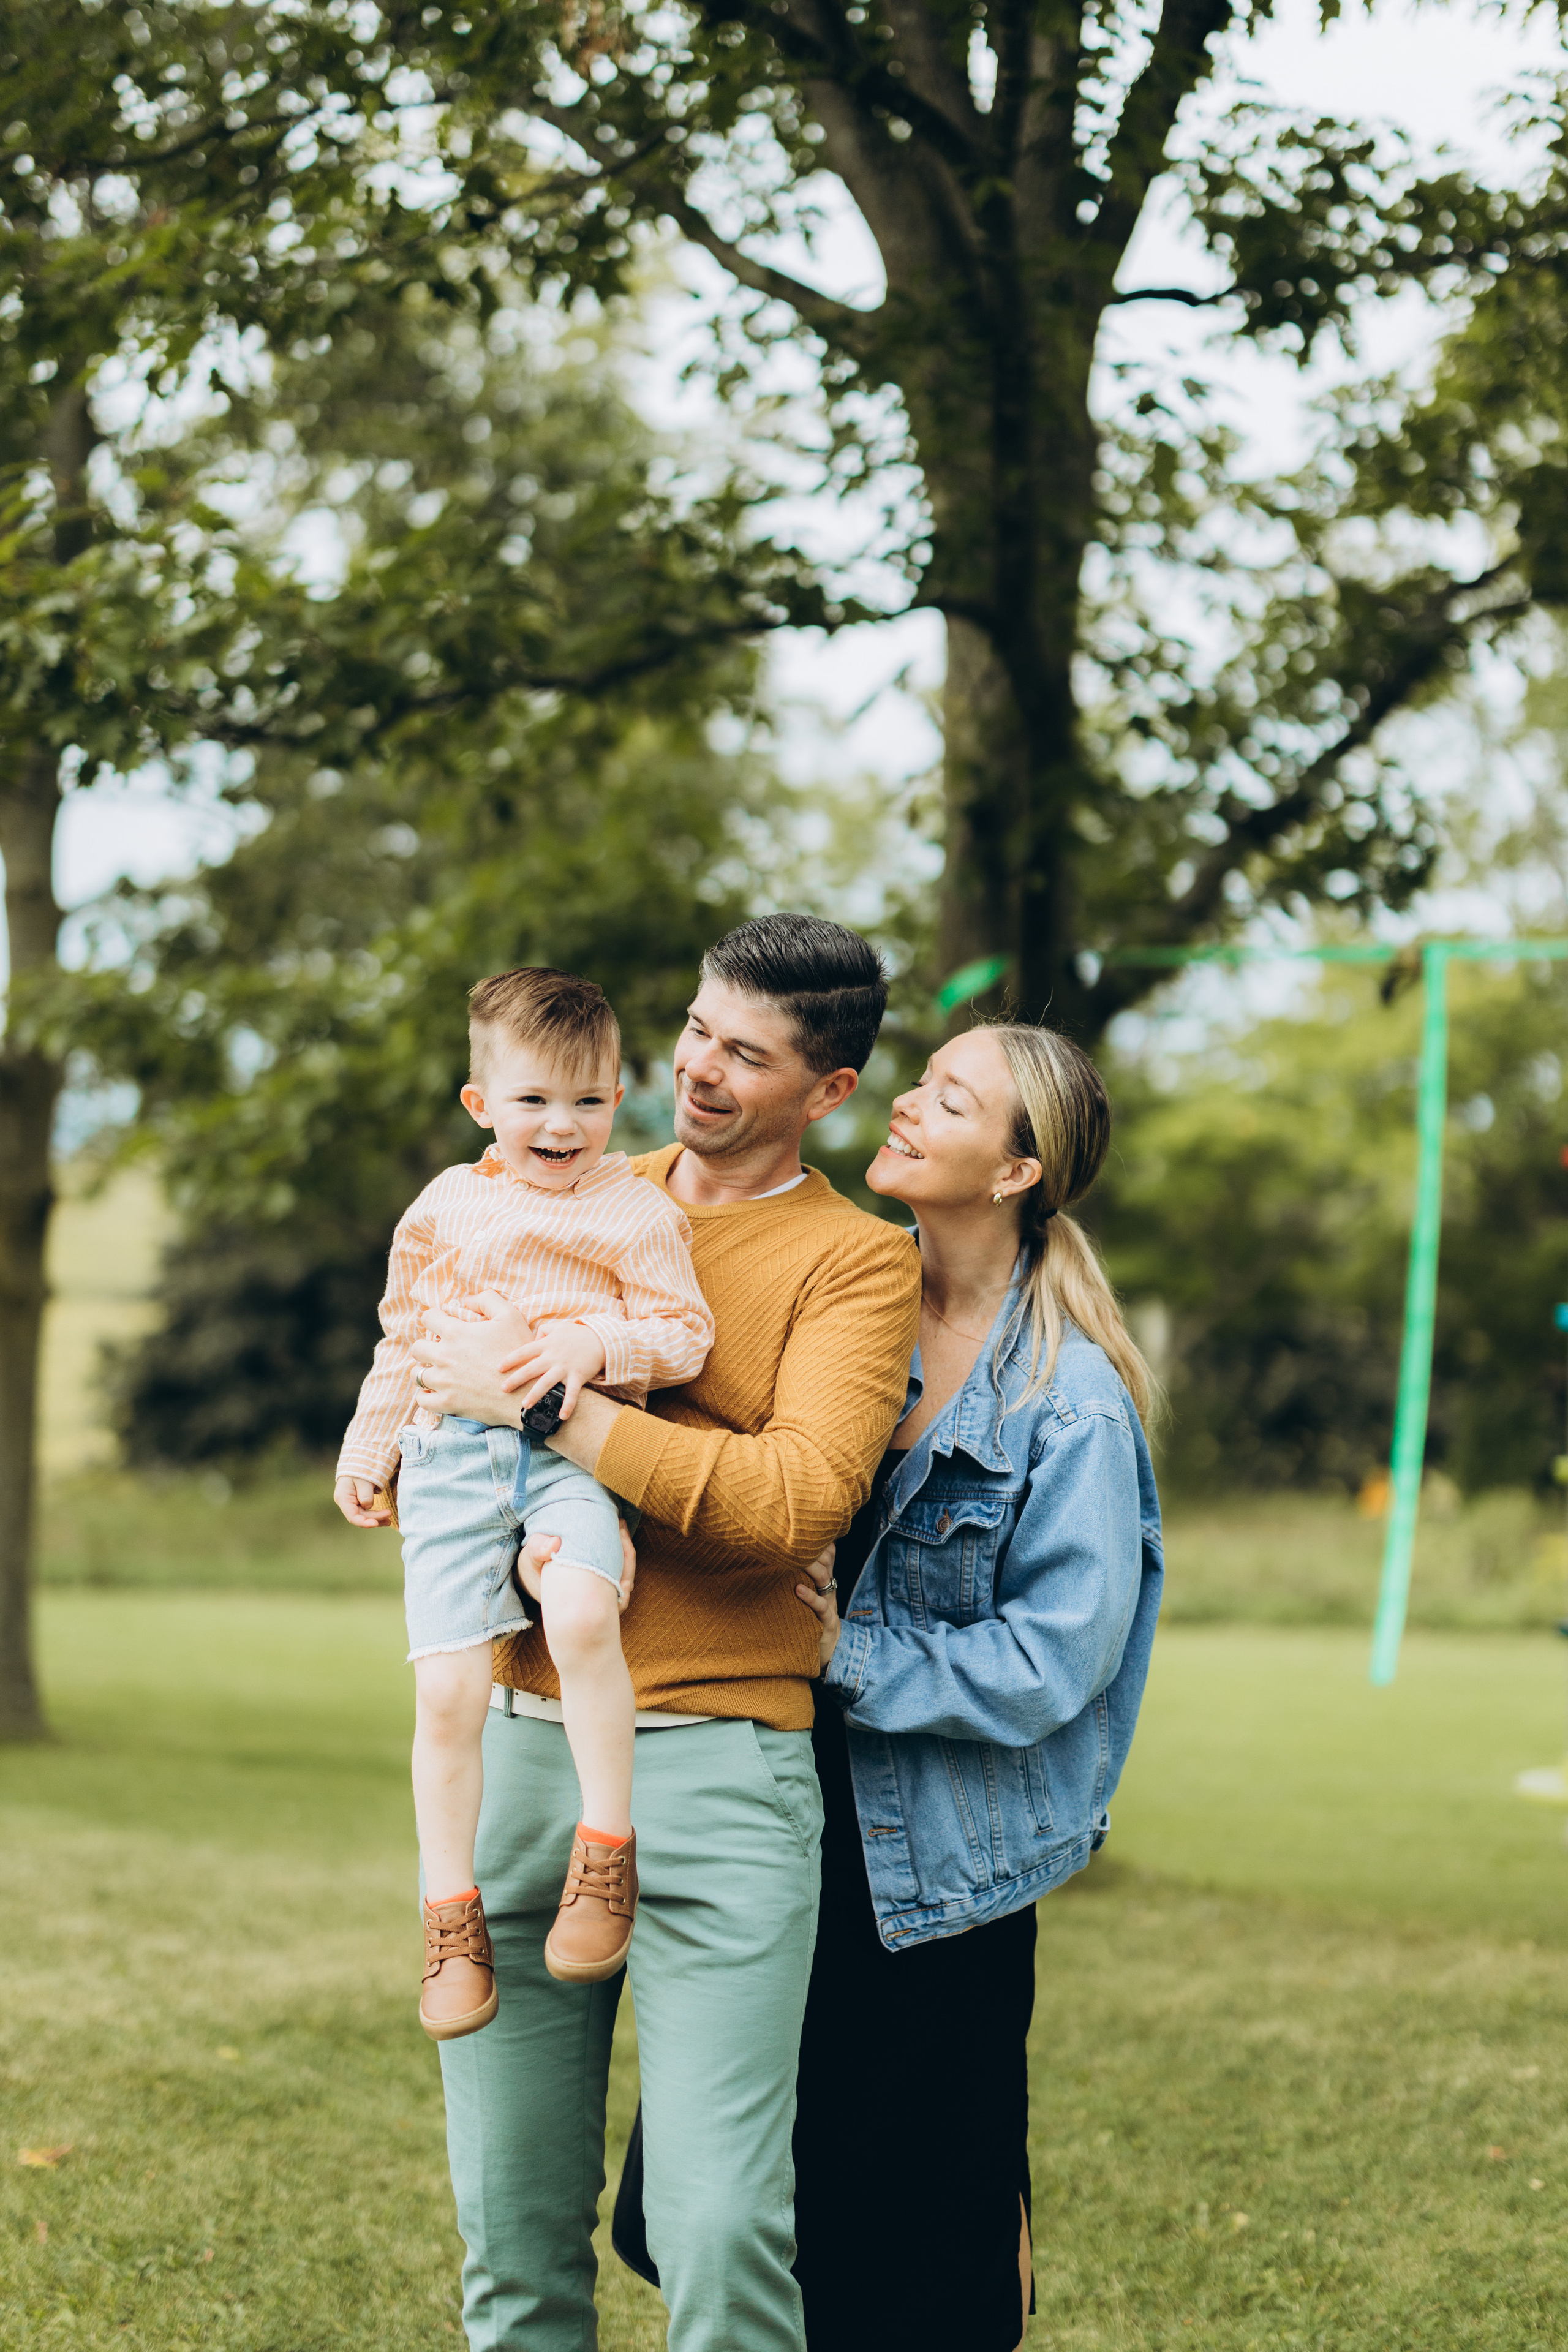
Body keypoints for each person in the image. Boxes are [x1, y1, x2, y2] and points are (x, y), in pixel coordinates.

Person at [405, 915, 924, 2351]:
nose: (697, 1069)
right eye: (695, 1028)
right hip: (519, 1751)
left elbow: (793, 1500)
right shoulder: (551, 1176)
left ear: (827, 1090)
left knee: (720, 2230)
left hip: (720, 1771)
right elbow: (436, 1384)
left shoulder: (855, 1263)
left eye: (745, 1054)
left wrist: (553, 1407)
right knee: (511, 2239)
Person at [614, 1019, 1165, 2352]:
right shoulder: (845, 1290)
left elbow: (1058, 1658)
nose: (908, 1105)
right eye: (923, 1081)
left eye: (952, 1102)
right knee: (721, 2199)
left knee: (917, 2262)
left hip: (938, 1868)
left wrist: (846, 1655)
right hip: (771, 1805)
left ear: (1016, 1171)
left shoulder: (1070, 1402)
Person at [334, 967, 715, 2037]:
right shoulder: (445, 1206)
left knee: (584, 1613)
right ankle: (450, 1919)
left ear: (620, 1099)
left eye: (589, 1101)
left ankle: (605, 1850)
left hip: (569, 1457)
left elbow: (685, 1334)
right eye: (535, 1100)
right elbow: (406, 1339)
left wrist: (593, 1342)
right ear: (481, 1104)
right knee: (449, 1693)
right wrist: (370, 1446)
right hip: (450, 1462)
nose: (562, 1125)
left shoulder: (637, 1213)